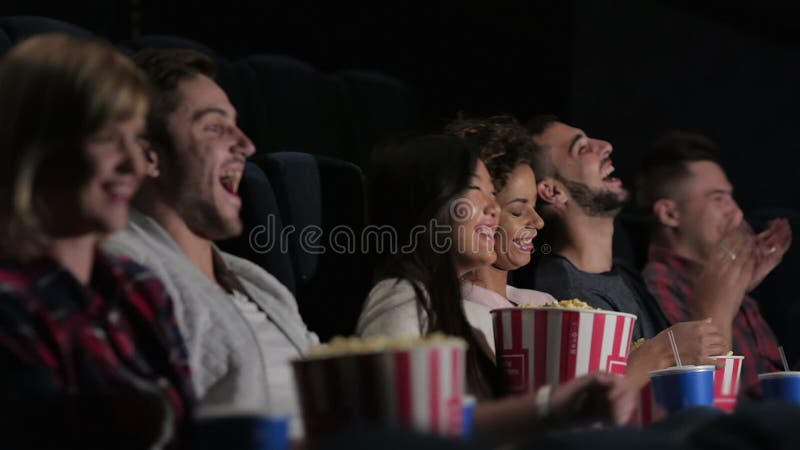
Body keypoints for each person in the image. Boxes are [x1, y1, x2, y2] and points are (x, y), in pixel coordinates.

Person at [356, 134, 634, 446]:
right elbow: (399, 428)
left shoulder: (452, 304)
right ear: (426, 199)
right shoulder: (400, 296)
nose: (493, 208)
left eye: (493, 193)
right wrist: (548, 409)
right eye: (475, 189)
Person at [103, 48, 317, 438]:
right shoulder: (120, 276)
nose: (247, 145)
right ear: (148, 154)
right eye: (215, 128)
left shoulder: (257, 281)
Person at [0, 34, 194, 448]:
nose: (133, 164)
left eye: (136, 138)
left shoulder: (141, 287)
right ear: (37, 145)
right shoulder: (9, 305)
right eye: (107, 136)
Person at [525, 115, 726, 388]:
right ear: (553, 191)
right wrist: (720, 300)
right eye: (581, 148)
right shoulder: (566, 296)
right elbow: (599, 409)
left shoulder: (625, 274)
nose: (605, 146)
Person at [637, 131, 788, 398]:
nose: (736, 212)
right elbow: (702, 397)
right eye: (718, 198)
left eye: (730, 197)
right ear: (670, 213)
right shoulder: (659, 286)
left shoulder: (733, 285)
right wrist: (718, 305)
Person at [445, 116, 555, 351]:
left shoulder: (545, 304)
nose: (538, 222)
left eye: (535, 207)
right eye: (517, 211)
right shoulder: (463, 311)